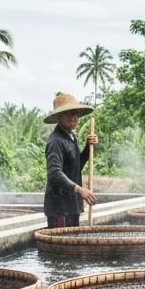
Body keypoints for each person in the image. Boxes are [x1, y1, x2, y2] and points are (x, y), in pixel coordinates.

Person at [43, 92, 98, 228]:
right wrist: (79, 190)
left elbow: (75, 167)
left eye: (76, 113)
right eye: (68, 113)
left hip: (72, 205)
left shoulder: (70, 137)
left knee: (72, 245)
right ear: (58, 116)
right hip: (59, 207)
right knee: (61, 246)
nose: (73, 117)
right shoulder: (56, 141)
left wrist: (88, 147)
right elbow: (55, 173)